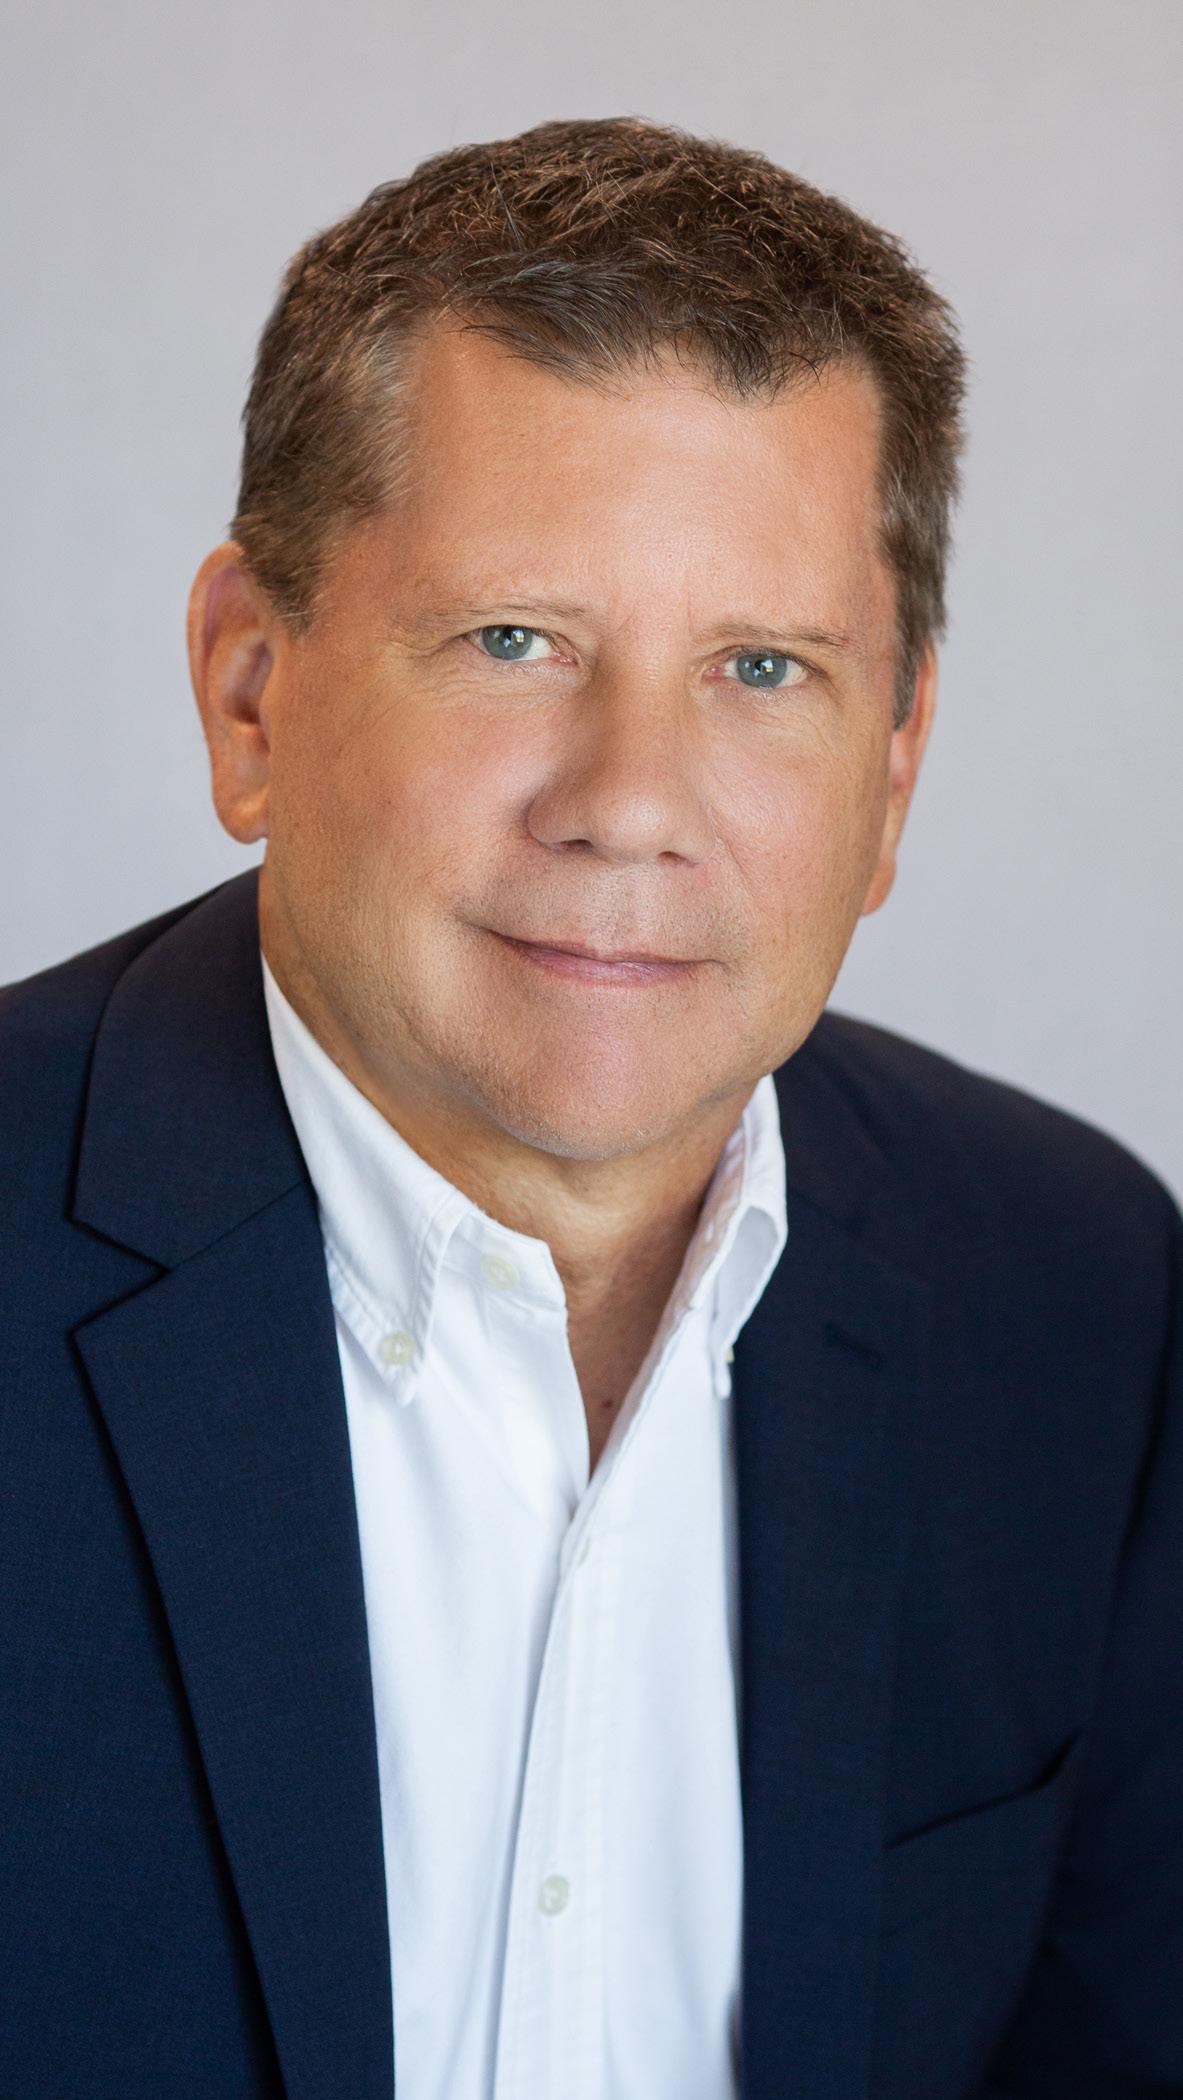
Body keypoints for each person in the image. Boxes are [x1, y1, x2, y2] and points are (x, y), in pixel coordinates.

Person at [0, 114, 1178, 2100]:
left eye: (762, 668)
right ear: (251, 690)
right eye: (514, 640)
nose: (631, 804)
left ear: (891, 774)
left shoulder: (1078, 1297)